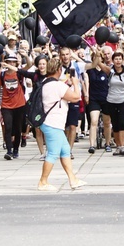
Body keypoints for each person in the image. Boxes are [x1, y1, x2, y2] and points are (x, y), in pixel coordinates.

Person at [37, 57, 86, 191]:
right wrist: (76, 83)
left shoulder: (45, 83)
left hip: (49, 123)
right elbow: (76, 97)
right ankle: (43, 181)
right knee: (52, 154)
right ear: (59, 70)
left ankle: (72, 179)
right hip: (53, 123)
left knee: (65, 150)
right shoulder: (58, 86)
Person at [98, 51, 124, 156]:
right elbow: (99, 63)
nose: (118, 61)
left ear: (122, 60)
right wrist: (97, 53)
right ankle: (118, 145)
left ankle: (123, 146)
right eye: (116, 59)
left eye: (120, 59)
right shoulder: (109, 71)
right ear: (113, 60)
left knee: (122, 123)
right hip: (111, 100)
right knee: (115, 124)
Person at [0, 54, 26, 160]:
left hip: (19, 104)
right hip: (6, 104)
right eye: (9, 61)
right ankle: (9, 150)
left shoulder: (19, 73)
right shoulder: (1, 75)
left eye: (13, 62)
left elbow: (30, 65)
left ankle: (16, 150)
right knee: (8, 127)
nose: (11, 64)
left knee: (17, 128)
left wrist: (25, 55)